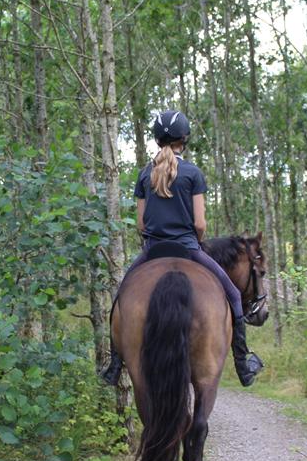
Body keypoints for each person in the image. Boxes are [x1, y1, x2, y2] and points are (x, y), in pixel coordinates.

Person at [99, 110, 264, 388]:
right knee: (235, 297)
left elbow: (141, 223)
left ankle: (115, 365)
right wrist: (193, 238)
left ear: (156, 138)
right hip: (188, 249)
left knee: (120, 299)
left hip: (152, 251)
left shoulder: (144, 175)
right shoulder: (193, 173)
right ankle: (243, 365)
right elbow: (199, 224)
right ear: (183, 139)